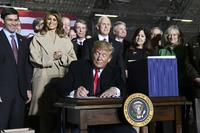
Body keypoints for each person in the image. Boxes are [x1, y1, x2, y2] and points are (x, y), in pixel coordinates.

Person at [61, 41, 136, 133]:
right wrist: (74, 92)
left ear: (109, 59)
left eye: (104, 55)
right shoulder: (78, 66)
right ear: (92, 54)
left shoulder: (115, 71)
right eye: (97, 53)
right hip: (81, 119)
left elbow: (124, 89)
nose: (99, 58)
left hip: (108, 120)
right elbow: (61, 87)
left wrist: (116, 90)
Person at [28, 10, 77, 133]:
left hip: (60, 78)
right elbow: (34, 58)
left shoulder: (65, 39)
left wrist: (63, 57)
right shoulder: (37, 37)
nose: (51, 22)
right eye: (49, 19)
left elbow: (73, 60)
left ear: (58, 22)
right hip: (43, 78)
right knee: (43, 114)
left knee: (60, 114)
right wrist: (51, 58)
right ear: (45, 20)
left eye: (54, 19)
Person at [0, 7, 32, 129]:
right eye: (10, 20)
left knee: (17, 128)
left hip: (20, 93)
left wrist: (28, 88)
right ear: (2, 20)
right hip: (2, 93)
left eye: (16, 20)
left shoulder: (23, 40)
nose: (13, 23)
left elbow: (26, 67)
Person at [81, 16, 125, 82]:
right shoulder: (88, 43)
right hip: (93, 80)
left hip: (111, 80)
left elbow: (120, 66)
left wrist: (122, 82)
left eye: (108, 24)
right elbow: (85, 63)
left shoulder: (117, 45)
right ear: (98, 26)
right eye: (103, 24)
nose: (106, 27)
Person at [159, 25, 187, 95]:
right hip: (166, 85)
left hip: (182, 84)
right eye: (169, 35)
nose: (172, 37)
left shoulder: (184, 50)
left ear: (178, 36)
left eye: (174, 35)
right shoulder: (162, 51)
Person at [186, 33, 200, 133]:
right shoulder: (192, 41)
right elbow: (188, 63)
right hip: (198, 87)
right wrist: (196, 77)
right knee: (199, 121)